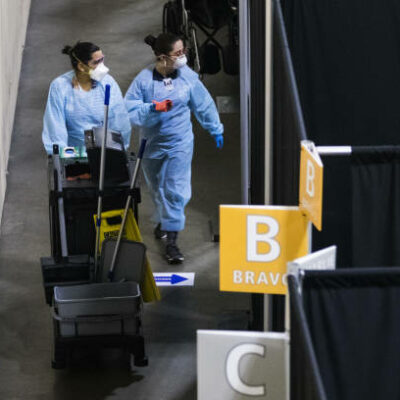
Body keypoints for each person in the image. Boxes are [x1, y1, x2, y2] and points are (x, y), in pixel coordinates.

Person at [124, 33, 224, 264]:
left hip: (179, 142)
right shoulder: (143, 81)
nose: (183, 56)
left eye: (183, 51)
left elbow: (203, 103)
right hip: (152, 145)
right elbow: (129, 110)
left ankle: (172, 242)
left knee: (175, 190)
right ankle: (165, 220)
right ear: (162, 57)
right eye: (178, 53)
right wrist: (153, 108)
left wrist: (215, 127)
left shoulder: (187, 77)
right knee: (158, 187)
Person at [42, 41, 131, 154]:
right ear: (81, 66)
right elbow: (55, 127)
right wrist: (64, 156)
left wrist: (117, 150)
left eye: (102, 59)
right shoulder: (60, 87)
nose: (102, 66)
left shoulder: (107, 83)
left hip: (103, 152)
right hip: (73, 153)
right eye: (96, 62)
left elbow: (119, 121)